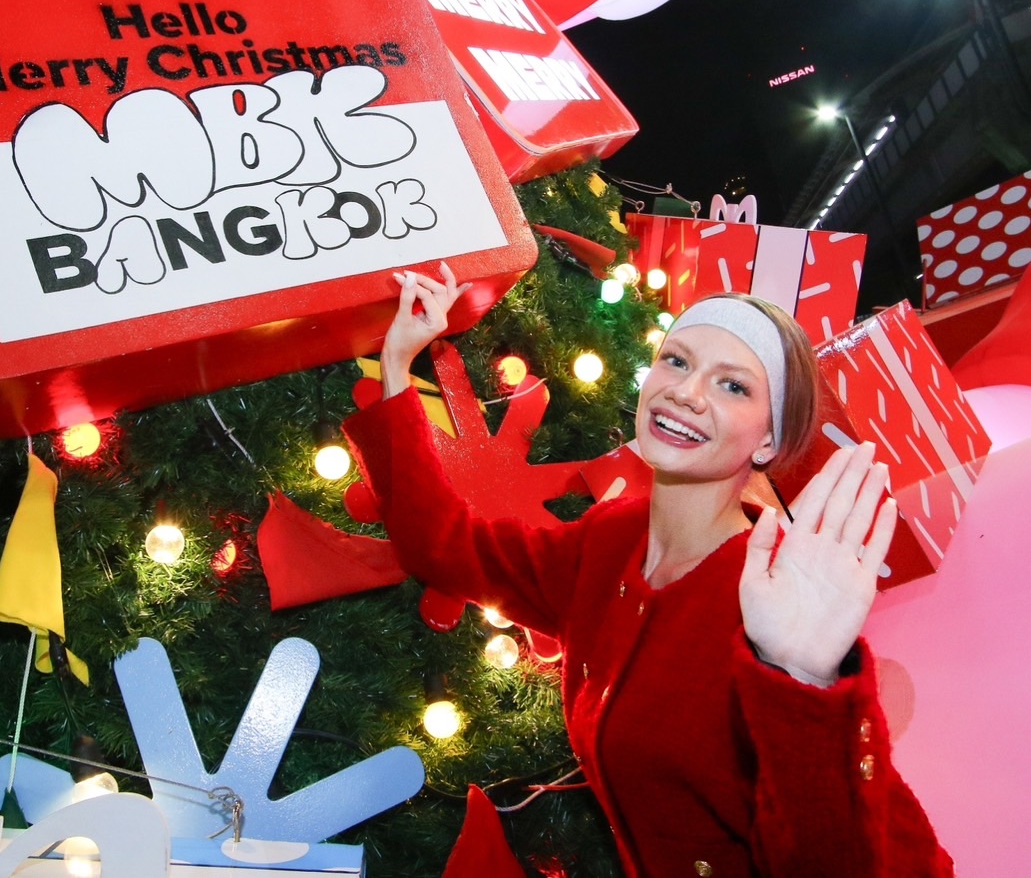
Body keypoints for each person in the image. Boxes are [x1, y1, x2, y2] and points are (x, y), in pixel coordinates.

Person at [344, 263, 953, 877]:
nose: (687, 393)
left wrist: (804, 682)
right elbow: (448, 549)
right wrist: (398, 364)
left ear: (768, 441)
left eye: (733, 386)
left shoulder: (775, 597)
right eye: (677, 361)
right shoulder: (611, 539)